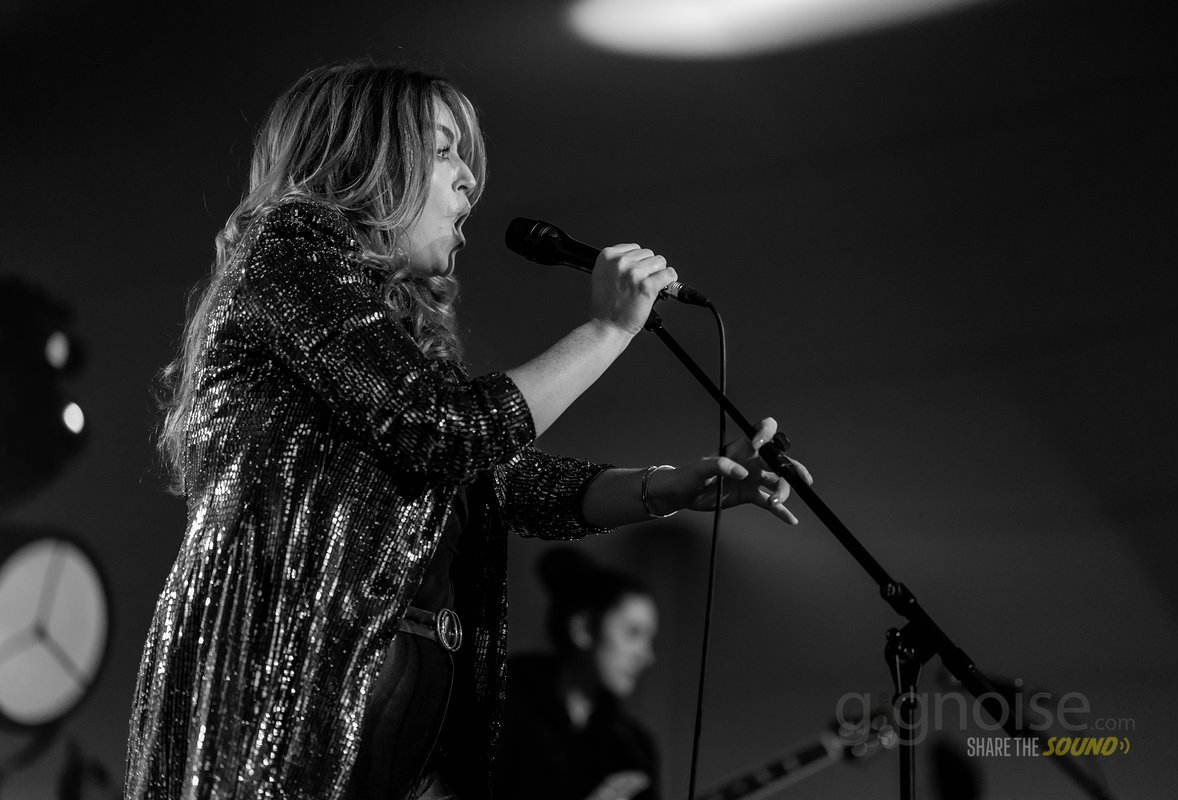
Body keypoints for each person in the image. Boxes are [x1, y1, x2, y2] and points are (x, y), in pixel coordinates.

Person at [125, 60, 809, 800]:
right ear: (369, 159)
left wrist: (674, 487)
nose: (470, 181)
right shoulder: (288, 258)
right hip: (278, 720)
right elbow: (448, 430)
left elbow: (505, 477)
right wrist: (609, 329)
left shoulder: (384, 333)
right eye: (443, 150)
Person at [498, 549, 662, 800]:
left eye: (649, 639)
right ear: (582, 628)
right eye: (633, 633)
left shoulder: (633, 749)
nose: (646, 656)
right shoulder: (498, 707)